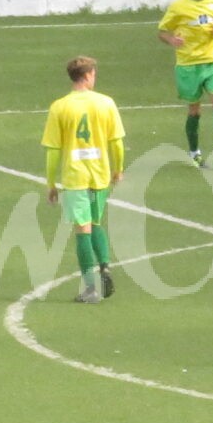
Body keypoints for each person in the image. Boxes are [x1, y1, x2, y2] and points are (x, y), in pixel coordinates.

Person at [42, 56, 126, 303]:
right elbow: (117, 143)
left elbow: (53, 150)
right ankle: (105, 267)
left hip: (75, 177)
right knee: (97, 223)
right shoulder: (106, 103)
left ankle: (90, 289)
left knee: (82, 230)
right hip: (99, 175)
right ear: (88, 75)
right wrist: (118, 169)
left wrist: (50, 183)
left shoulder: (59, 107)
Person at [156, 0, 213, 170]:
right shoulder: (178, 7)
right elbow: (162, 31)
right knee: (194, 111)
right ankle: (194, 153)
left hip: (212, 61)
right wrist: (171, 40)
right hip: (188, 65)